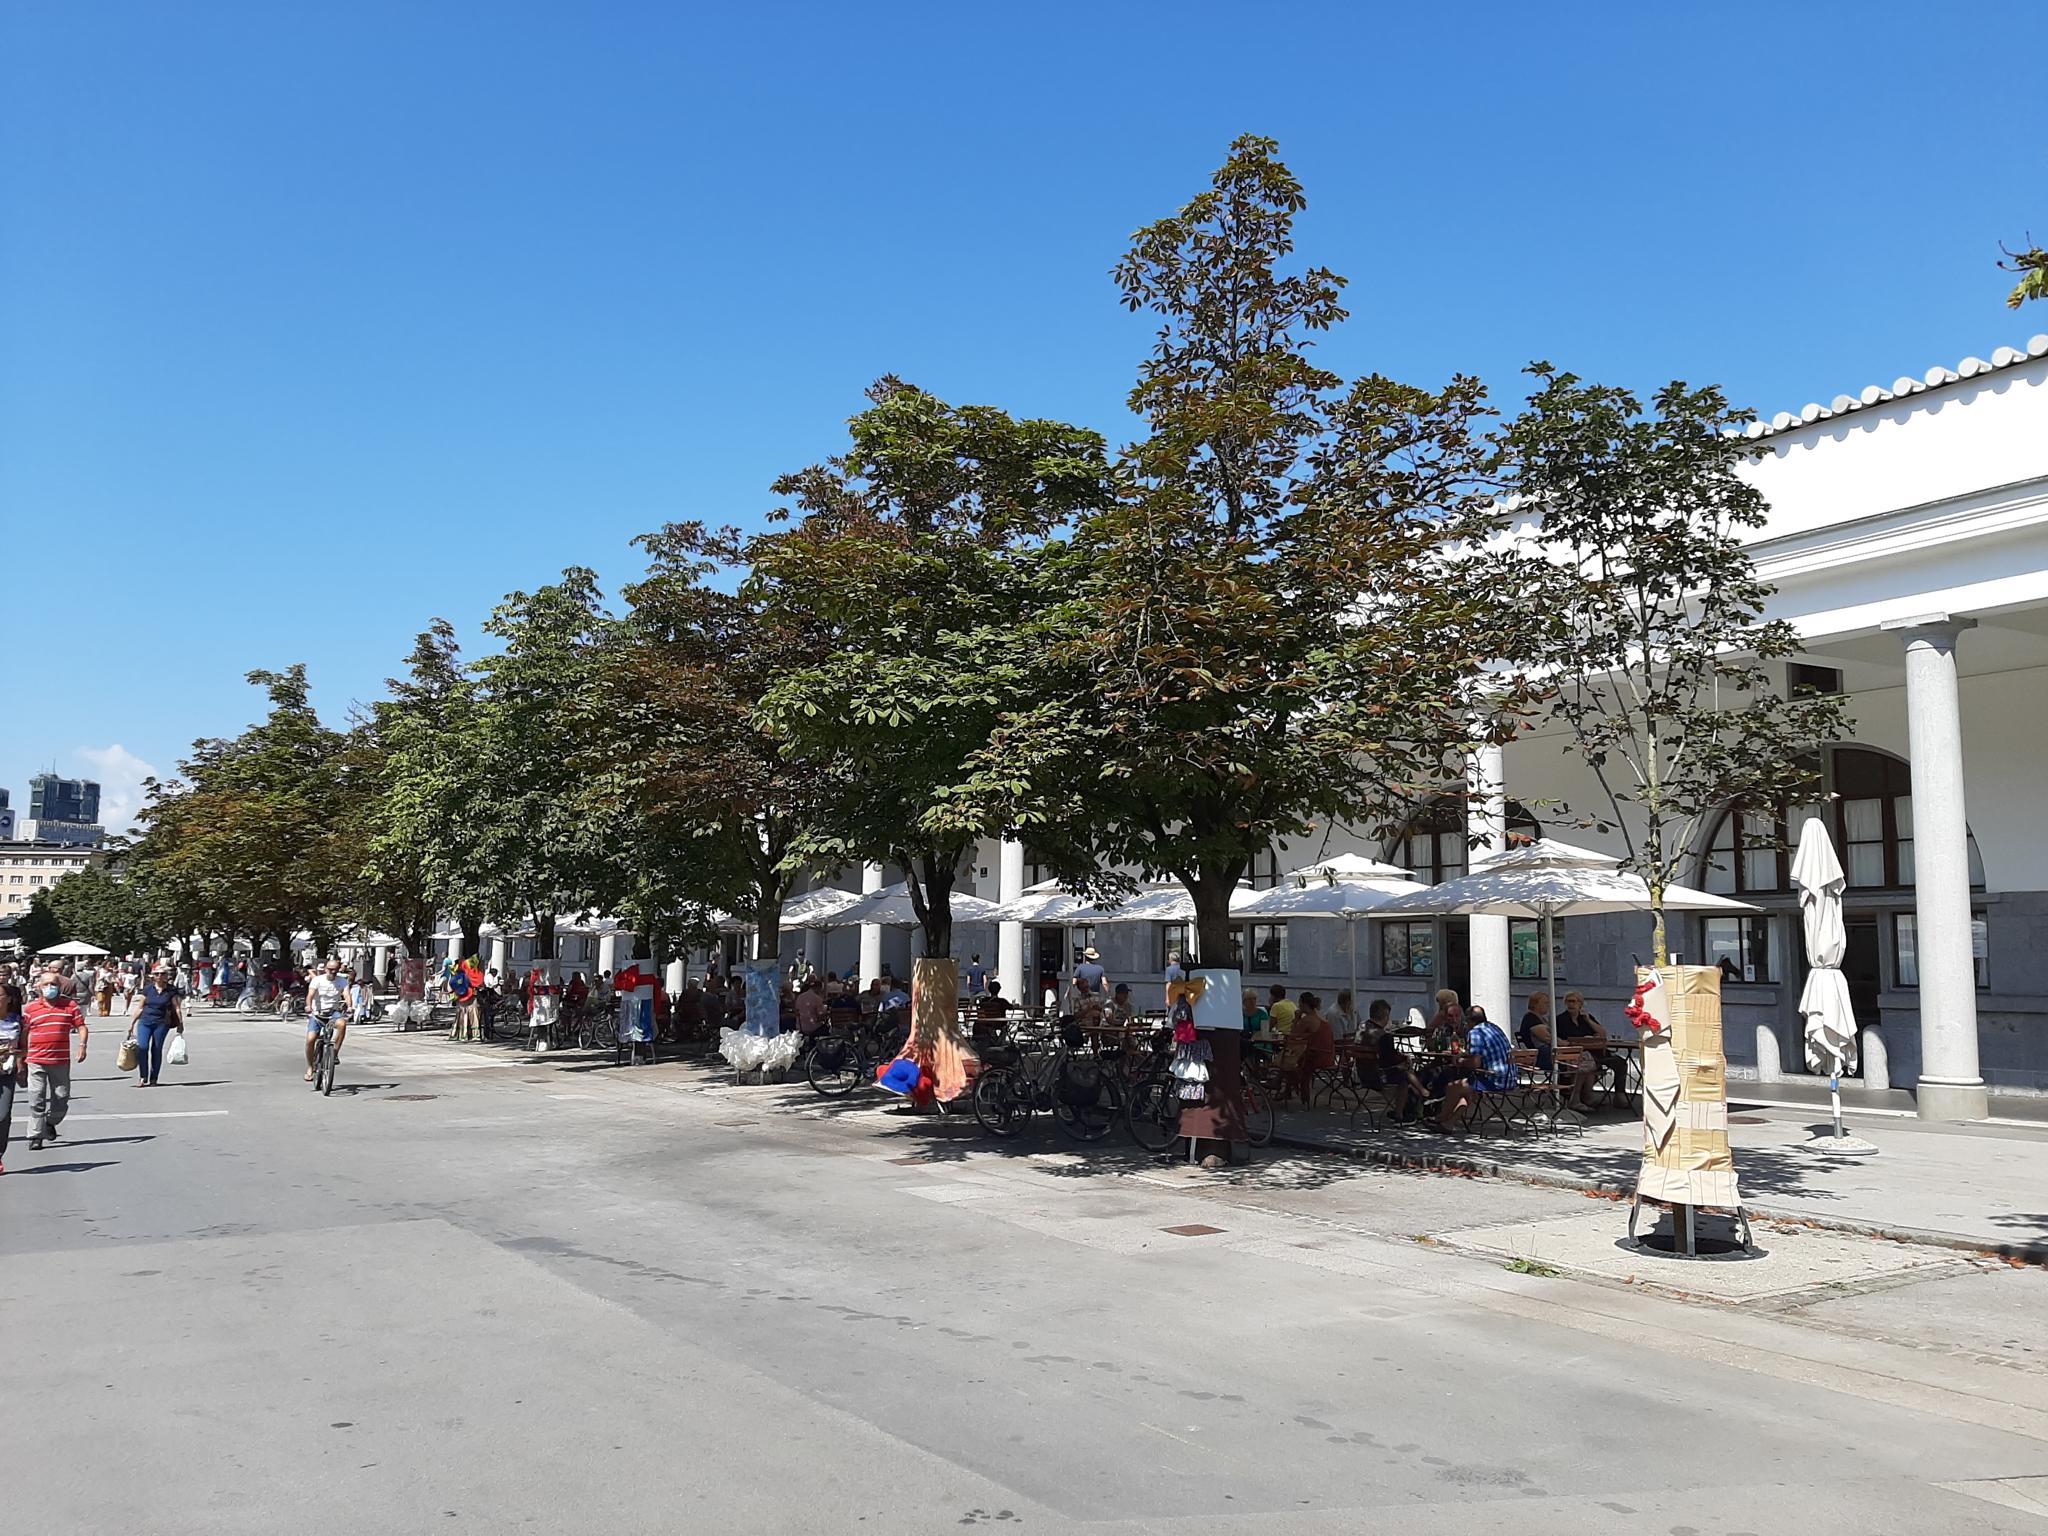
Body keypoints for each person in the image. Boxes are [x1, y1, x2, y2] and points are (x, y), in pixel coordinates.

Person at [24, 967, 88, 1150]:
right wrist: (21, 1055)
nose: (50, 987)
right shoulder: (31, 1009)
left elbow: (81, 1026)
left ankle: (51, 1122)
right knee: (36, 1098)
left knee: (61, 1096)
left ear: (60, 986)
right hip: (36, 1059)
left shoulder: (69, 1007)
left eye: (54, 984)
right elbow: (24, 1032)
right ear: (39, 986)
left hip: (59, 1061)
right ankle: (35, 1136)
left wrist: (82, 1046)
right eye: (46, 984)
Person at [1437, 1005, 1518, 1132]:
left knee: (1453, 1087)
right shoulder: (1494, 1028)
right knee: (1467, 1091)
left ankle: (1440, 1119)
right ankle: (1448, 1124)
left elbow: (1475, 1063)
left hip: (1494, 1080)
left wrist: (1460, 1061)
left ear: (1469, 1020)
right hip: (1510, 1078)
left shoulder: (1475, 1032)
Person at [131, 960, 184, 1087]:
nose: (159, 976)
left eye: (162, 974)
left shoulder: (171, 990)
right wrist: (132, 1023)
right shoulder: (148, 989)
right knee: (143, 1048)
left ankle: (154, 1078)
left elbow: (177, 1007)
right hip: (145, 1021)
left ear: (166, 976)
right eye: (157, 974)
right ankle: (143, 1077)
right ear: (153, 976)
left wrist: (180, 1023)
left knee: (156, 1049)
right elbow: (140, 1007)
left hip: (161, 1023)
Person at [1281, 990, 1337, 1107]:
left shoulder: (1307, 1019)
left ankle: (1290, 1088)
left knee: (1288, 1060)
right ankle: (1289, 1089)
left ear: (1303, 1004)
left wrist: (1296, 1018)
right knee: (1292, 1058)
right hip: (1328, 1054)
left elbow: (1293, 1034)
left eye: (1299, 1003)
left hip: (1316, 1057)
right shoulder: (1319, 1016)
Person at [304, 957, 348, 1082]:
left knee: (342, 1024)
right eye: (330, 969)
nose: (332, 972)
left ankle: (334, 1052)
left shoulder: (342, 981)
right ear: (325, 969)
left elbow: (346, 994)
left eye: (335, 970)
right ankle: (310, 1067)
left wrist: (350, 1006)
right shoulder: (317, 980)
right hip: (317, 1013)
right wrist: (308, 1005)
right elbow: (310, 995)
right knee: (311, 1039)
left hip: (333, 1012)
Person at [0, 981, 24, 1173]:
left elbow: (26, 1049)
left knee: (3, 1116)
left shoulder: (17, 1020)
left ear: (8, 999)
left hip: (6, 1073)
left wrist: (17, 1053)